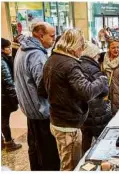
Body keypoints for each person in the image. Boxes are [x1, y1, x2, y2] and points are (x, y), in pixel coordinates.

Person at [41, 29, 109, 171]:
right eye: (80, 47)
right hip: (68, 125)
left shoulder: (51, 59)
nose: (81, 52)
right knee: (70, 167)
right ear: (73, 46)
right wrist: (102, 80)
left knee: (65, 160)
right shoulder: (70, 64)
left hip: (56, 121)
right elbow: (87, 92)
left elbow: (41, 90)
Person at [14, 22, 60, 170]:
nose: (53, 39)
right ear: (41, 35)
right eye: (51, 36)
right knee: (47, 156)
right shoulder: (36, 55)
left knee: (34, 150)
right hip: (41, 112)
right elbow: (44, 87)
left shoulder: (23, 50)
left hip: (30, 110)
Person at [80, 41, 112, 154]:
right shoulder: (92, 69)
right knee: (101, 139)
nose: (99, 57)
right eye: (97, 55)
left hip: (83, 110)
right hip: (96, 111)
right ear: (92, 55)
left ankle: (84, 163)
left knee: (86, 138)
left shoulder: (78, 65)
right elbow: (103, 91)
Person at [1, 38, 22, 152]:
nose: (10, 49)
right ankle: (9, 142)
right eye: (8, 47)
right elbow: (8, 82)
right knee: (4, 120)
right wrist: (15, 99)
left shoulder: (5, 59)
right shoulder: (2, 62)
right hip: (3, 97)